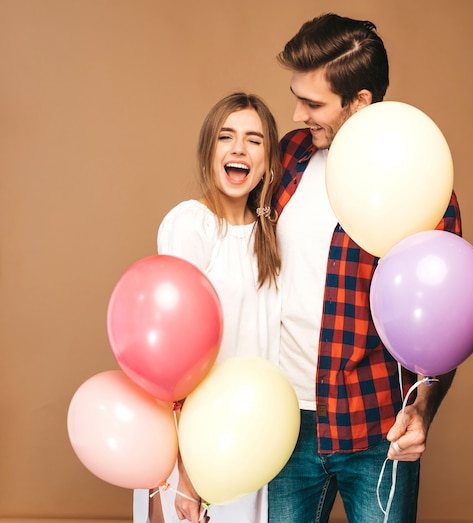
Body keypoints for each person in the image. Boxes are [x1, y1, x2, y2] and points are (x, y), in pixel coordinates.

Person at [268, 13, 462, 523]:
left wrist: (422, 412)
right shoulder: (288, 158)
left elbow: (446, 317)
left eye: (312, 104)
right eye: (296, 96)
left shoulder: (421, 183)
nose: (295, 114)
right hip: (282, 423)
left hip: (376, 425)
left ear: (360, 103)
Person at [134, 92, 282, 523]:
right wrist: (189, 470)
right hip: (200, 446)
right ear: (209, 151)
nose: (239, 149)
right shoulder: (190, 225)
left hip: (256, 436)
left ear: (269, 159)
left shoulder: (270, 234)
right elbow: (174, 356)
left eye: (254, 140)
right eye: (226, 137)